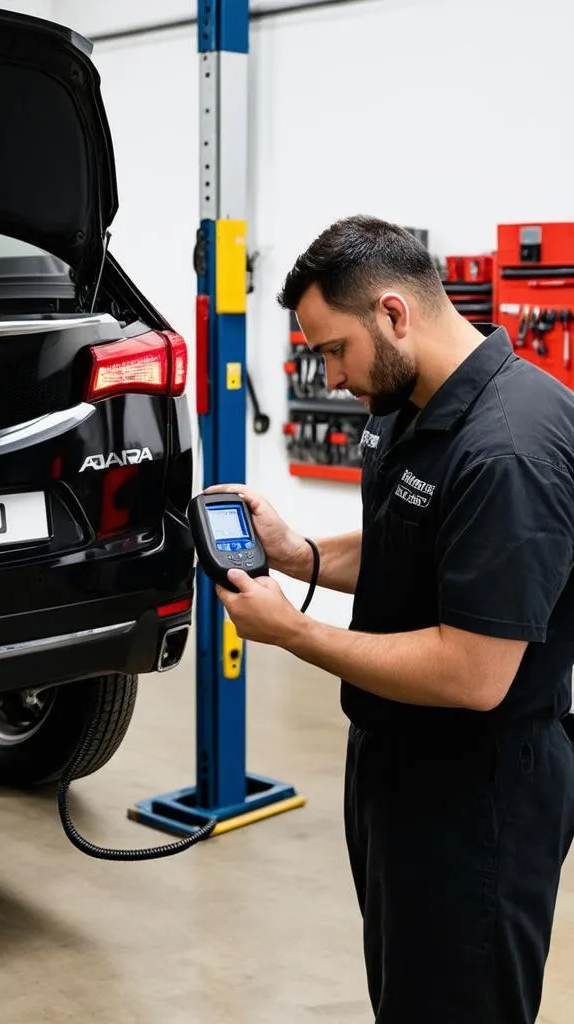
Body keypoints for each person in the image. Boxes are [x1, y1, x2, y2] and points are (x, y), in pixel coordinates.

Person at [209, 215, 574, 1024]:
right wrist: (295, 552)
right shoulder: (407, 403)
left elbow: (476, 674)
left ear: (393, 313)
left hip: (475, 795)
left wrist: (293, 633)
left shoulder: (508, 447)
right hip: (400, 766)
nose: (331, 376)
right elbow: (412, 547)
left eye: (333, 349)